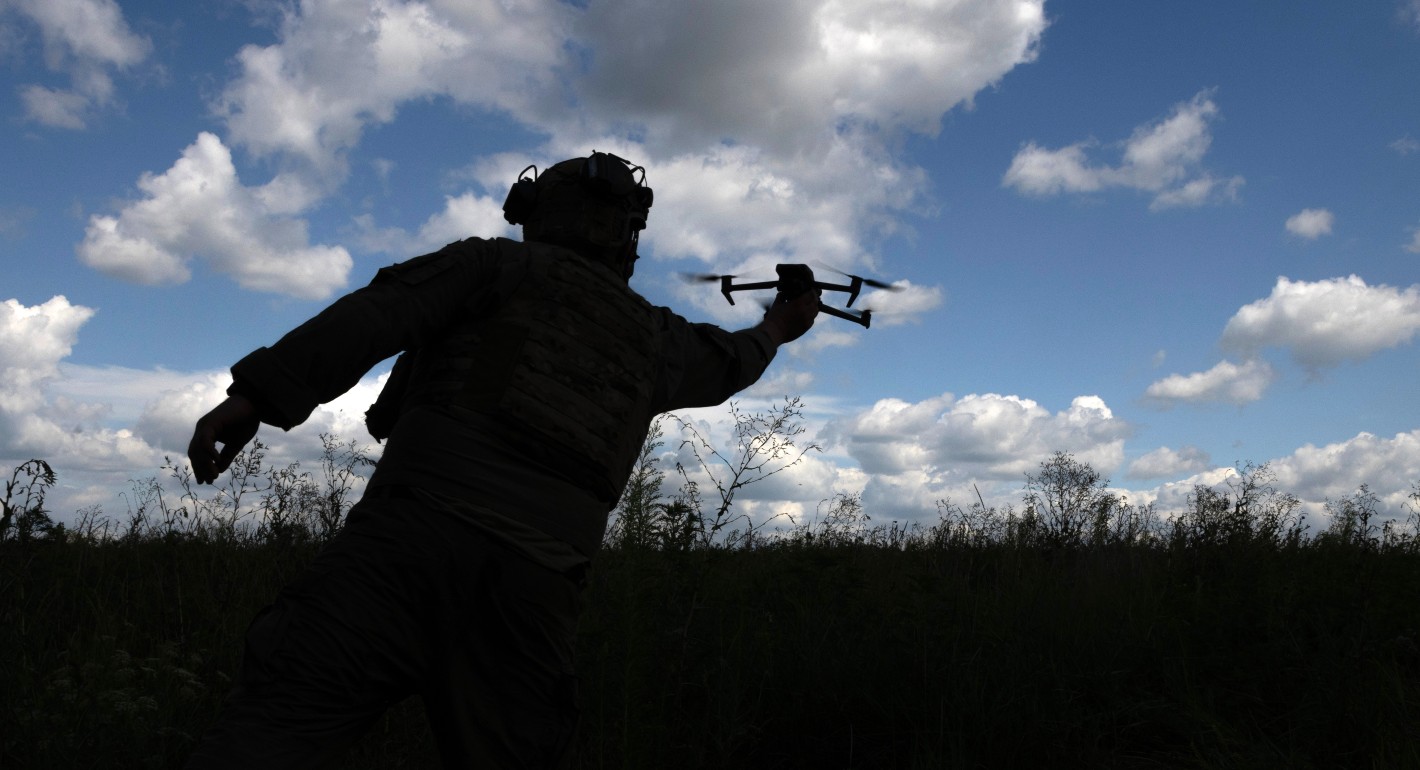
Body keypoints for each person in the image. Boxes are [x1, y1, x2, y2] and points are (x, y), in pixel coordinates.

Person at [183, 152, 819, 769]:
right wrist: (779, 325)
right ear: (628, 233)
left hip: (398, 554)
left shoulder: (493, 265)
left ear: (539, 212)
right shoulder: (660, 339)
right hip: (534, 590)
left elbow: (378, 312)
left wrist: (256, 397)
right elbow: (735, 360)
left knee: (269, 735)